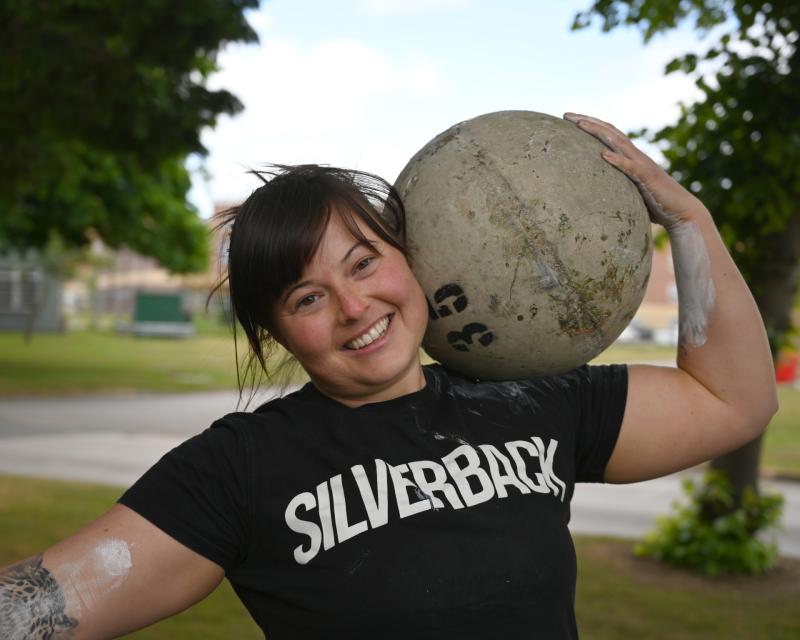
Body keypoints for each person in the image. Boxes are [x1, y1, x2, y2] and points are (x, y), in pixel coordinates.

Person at [0, 114, 777, 639]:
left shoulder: (528, 398)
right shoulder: (240, 469)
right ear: (276, 332)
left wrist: (688, 220)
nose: (352, 305)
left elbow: (734, 400)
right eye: (308, 296)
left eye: (363, 262)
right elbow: (41, 606)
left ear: (411, 259)